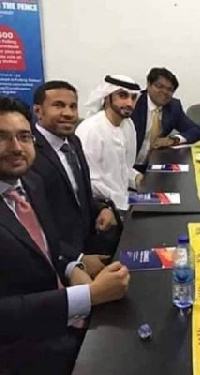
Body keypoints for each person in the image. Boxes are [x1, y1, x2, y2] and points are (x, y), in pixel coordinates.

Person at [0, 96, 130, 374]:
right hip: (22, 349)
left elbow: (47, 248)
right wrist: (89, 296)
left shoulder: (30, 184)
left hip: (64, 312)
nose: (16, 148)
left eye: (24, 136)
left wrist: (73, 267)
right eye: (2, 138)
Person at [31, 81, 120, 271]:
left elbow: (78, 195)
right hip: (58, 261)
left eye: (73, 106)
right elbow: (33, 224)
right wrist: (77, 259)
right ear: (38, 111)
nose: (69, 113)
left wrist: (102, 208)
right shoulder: (28, 153)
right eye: (58, 105)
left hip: (88, 244)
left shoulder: (73, 142)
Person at [76, 75, 143, 212]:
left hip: (126, 198)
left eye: (133, 98)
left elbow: (125, 167)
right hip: (103, 208)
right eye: (123, 96)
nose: (130, 103)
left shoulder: (128, 125)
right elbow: (90, 182)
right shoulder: (91, 130)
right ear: (107, 98)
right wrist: (125, 202)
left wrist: (138, 179)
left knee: (171, 204)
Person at [132, 67, 200, 169]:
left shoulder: (173, 107)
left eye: (170, 89)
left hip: (154, 165)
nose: (165, 92)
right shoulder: (133, 103)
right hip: (128, 166)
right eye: (159, 86)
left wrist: (173, 140)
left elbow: (197, 131)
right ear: (148, 84)